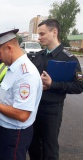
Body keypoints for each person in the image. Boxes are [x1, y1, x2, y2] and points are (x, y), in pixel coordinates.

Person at [0, 29, 43, 160]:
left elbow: (22, 114)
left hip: (15, 134)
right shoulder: (13, 68)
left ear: (9, 48)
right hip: (6, 129)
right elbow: (11, 97)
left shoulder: (25, 74)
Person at [28, 19, 83, 160]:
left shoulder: (69, 59)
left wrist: (53, 84)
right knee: (33, 145)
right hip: (34, 107)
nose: (39, 37)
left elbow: (79, 86)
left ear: (54, 32)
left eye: (42, 34)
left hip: (52, 110)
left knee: (49, 148)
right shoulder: (39, 55)